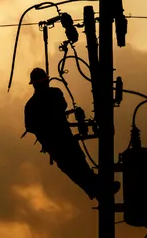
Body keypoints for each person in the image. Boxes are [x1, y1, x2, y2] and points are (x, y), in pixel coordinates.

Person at [23, 67, 120, 201]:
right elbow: (32, 125)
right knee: (76, 168)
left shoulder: (36, 103)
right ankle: (98, 190)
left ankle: (98, 188)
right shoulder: (46, 98)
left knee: (78, 166)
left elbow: (32, 125)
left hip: (61, 142)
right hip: (58, 144)